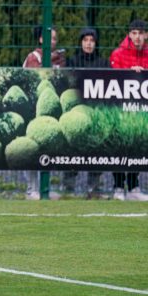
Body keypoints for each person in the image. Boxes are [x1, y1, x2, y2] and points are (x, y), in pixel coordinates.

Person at [65, 27, 110, 199]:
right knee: (72, 151)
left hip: (96, 115)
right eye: (85, 40)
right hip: (76, 113)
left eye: (92, 40)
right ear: (81, 42)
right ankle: (68, 189)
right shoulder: (72, 62)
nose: (89, 43)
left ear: (96, 43)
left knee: (96, 151)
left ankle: (94, 189)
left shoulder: (103, 63)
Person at [23, 25, 65, 200]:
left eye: (54, 38)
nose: (52, 41)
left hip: (53, 109)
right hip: (33, 108)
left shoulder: (61, 59)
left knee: (50, 148)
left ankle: (47, 188)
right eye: (49, 38)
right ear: (41, 39)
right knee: (33, 147)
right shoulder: (33, 58)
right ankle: (31, 188)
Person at [109, 19, 148, 201]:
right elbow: (112, 78)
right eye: (134, 33)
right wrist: (130, 73)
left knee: (137, 146)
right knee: (119, 146)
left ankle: (133, 187)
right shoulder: (118, 54)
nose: (137, 37)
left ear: (146, 35)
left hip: (141, 112)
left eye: (141, 33)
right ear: (129, 34)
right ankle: (118, 186)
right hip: (120, 110)